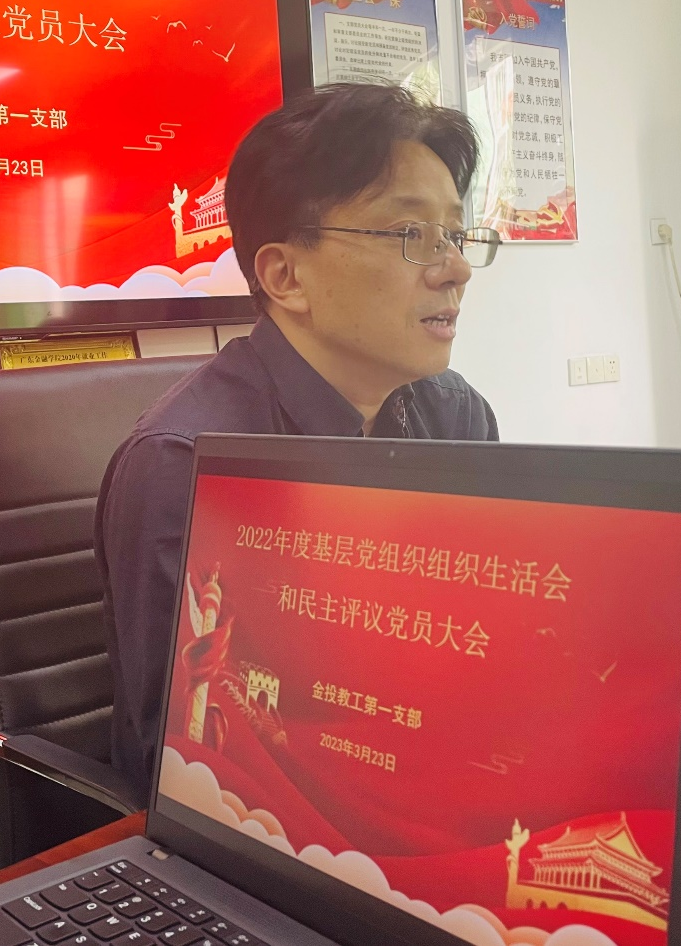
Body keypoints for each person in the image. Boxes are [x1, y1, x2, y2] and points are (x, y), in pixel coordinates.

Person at [95, 82, 501, 803]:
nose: (456, 270)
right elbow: (190, 759)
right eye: (412, 236)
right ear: (285, 276)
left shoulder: (456, 417)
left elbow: (480, 648)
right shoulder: (185, 464)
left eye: (455, 235)